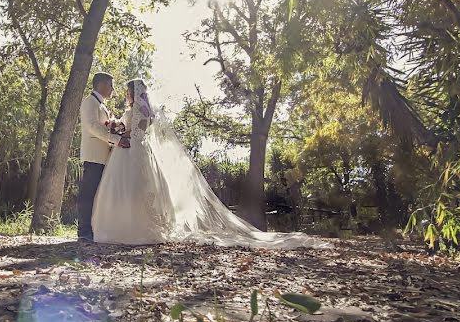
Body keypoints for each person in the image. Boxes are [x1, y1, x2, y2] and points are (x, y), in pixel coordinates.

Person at [91, 78, 328, 250]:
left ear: (133, 91)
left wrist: (122, 131)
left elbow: (138, 130)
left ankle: (133, 227)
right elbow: (140, 127)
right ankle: (134, 224)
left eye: (127, 91)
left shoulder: (138, 109)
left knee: (133, 187)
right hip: (136, 149)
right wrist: (120, 127)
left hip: (131, 149)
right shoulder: (141, 109)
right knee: (137, 188)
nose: (124, 95)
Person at [77, 72, 130, 244]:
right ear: (101, 84)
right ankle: (83, 232)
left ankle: (94, 230)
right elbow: (92, 126)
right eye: (111, 85)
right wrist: (116, 139)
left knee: (98, 195)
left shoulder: (102, 106)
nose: (113, 90)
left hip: (104, 157)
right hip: (93, 156)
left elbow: (104, 127)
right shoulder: (89, 102)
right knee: (88, 194)